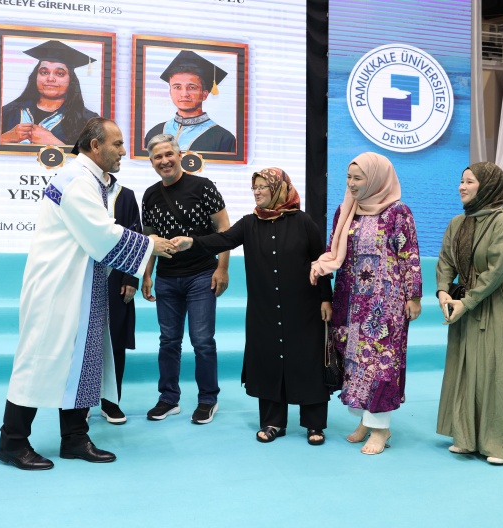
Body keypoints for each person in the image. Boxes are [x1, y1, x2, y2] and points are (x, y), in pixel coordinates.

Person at [0, 117, 174, 470]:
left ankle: (75, 437)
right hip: (58, 288)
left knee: (82, 360)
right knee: (38, 361)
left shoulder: (91, 179)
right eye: (117, 144)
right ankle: (12, 442)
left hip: (79, 285)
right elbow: (101, 234)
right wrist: (150, 244)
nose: (123, 151)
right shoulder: (77, 180)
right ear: (95, 146)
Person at [171, 168, 333, 445]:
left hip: (304, 308)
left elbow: (321, 262)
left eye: (262, 187)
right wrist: (191, 242)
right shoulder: (249, 223)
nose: (256, 192)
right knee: (269, 361)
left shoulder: (304, 222)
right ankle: (273, 422)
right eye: (254, 187)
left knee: (307, 361)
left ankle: (314, 424)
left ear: (279, 188)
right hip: (264, 309)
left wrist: (326, 298)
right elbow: (222, 240)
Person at [310, 152, 422, 455]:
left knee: (381, 363)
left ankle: (380, 428)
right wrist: (320, 266)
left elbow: (409, 255)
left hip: (385, 303)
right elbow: (333, 249)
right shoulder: (346, 210)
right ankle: (364, 419)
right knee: (354, 362)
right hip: (349, 299)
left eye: (358, 178)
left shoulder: (398, 212)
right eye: (349, 177)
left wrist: (414, 296)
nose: (351, 183)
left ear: (375, 179)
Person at [436, 162, 503, 465]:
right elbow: (446, 260)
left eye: (469, 182)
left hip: (499, 305)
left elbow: (497, 270)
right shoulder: (457, 223)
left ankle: (502, 444)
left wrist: (467, 301)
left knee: (499, 371)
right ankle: (467, 437)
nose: (461, 187)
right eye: (461, 181)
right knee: (467, 370)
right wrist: (442, 291)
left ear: (488, 186)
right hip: (466, 305)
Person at [141, 133, 230, 424]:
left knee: (202, 341)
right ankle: (168, 398)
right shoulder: (149, 195)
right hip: (166, 278)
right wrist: (147, 274)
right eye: (157, 156)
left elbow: (224, 229)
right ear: (152, 162)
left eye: (169, 154)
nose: (164, 160)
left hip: (202, 275)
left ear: (180, 155)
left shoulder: (203, 187)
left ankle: (208, 399)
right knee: (168, 340)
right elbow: (150, 239)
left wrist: (222, 269)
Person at [1, 40, 99, 147]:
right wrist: (6, 137)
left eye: (59, 73)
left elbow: (92, 155)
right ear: (35, 77)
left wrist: (53, 142)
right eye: (44, 72)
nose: (50, 78)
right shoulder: (7, 113)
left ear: (71, 80)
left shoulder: (88, 121)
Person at [100, 175, 142, 424]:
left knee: (115, 338)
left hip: (116, 277)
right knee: (82, 341)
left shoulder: (124, 195)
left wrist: (131, 278)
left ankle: (111, 401)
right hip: (81, 276)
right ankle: (81, 402)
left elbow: (135, 238)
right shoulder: (79, 190)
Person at [144, 50, 236, 154]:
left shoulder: (223, 139)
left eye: (192, 87)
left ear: (204, 94)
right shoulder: (155, 133)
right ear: (170, 92)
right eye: (177, 87)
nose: (184, 94)